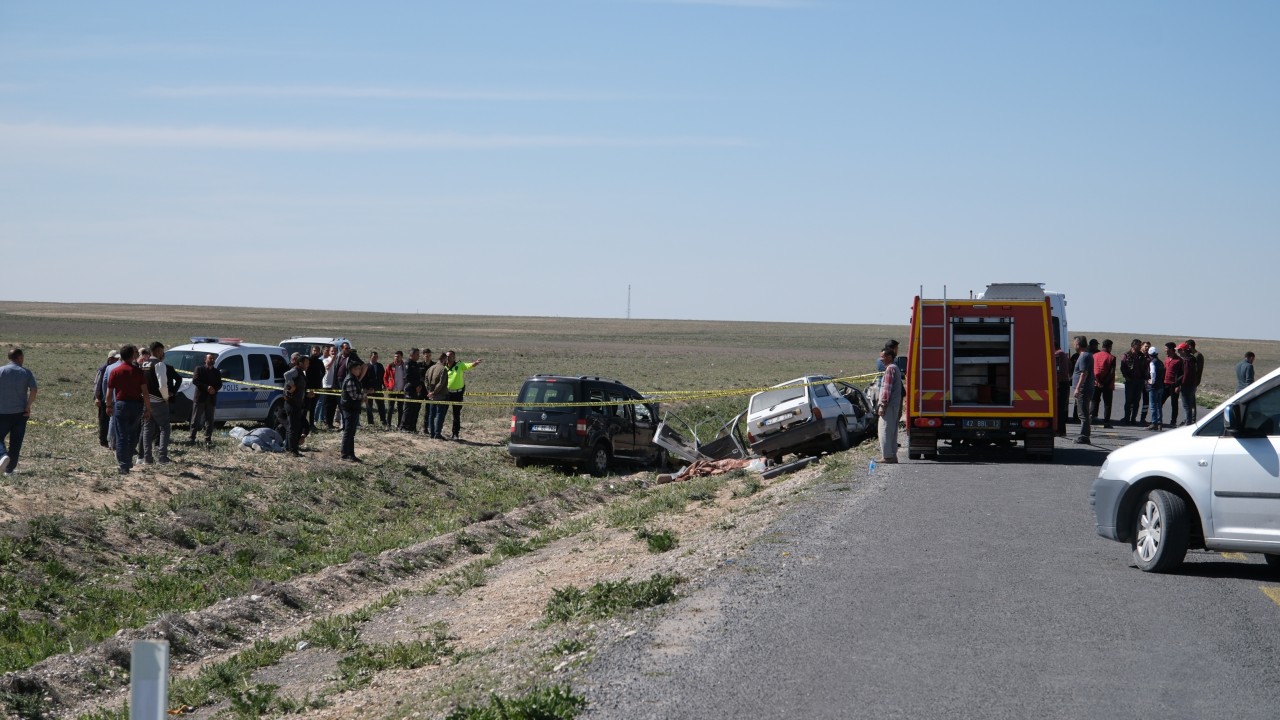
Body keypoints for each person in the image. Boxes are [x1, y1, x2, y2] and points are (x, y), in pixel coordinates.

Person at [106, 344, 151, 474]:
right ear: (132, 355)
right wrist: (148, 409)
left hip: (121, 405)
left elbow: (110, 392)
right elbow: (145, 393)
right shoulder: (138, 372)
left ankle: (124, 464)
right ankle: (128, 460)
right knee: (132, 434)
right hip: (136, 405)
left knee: (121, 435)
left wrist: (108, 406)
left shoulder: (116, 371)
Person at [0, 348, 39, 476]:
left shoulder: (1, 370)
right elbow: (34, 390)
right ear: (20, 357)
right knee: (16, 442)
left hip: (2, 412)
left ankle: (2, 456)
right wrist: (28, 405)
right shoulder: (26, 372)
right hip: (20, 413)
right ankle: (9, 469)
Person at [140, 341, 174, 465]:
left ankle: (147, 458)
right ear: (159, 351)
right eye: (162, 351)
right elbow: (162, 385)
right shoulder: (159, 364)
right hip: (158, 402)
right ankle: (162, 457)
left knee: (147, 429)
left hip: (145, 400)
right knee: (165, 428)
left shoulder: (144, 364)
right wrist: (166, 398)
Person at [443, 350, 483, 440]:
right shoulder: (443, 366)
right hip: (446, 393)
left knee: (456, 415)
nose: (449, 358)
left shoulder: (460, 365)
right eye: (447, 356)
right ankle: (439, 432)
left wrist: (475, 363)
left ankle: (455, 434)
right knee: (442, 412)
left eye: (451, 356)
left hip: (457, 394)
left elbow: (469, 365)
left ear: (454, 357)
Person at [876, 347, 902, 463]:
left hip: (889, 405)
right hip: (894, 405)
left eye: (883, 357)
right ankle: (892, 455)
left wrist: (882, 405)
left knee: (884, 430)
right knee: (891, 430)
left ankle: (887, 456)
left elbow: (887, 389)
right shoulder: (895, 368)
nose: (881, 359)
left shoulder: (890, 369)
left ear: (889, 357)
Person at [189, 352, 222, 445]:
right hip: (200, 398)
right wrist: (206, 387)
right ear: (205, 359)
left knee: (210, 420)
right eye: (210, 358)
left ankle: (208, 439)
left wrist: (214, 389)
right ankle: (192, 438)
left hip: (211, 399)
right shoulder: (199, 369)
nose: (212, 360)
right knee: (195, 419)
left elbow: (219, 384)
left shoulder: (216, 372)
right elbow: (195, 381)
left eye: (213, 359)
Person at [339, 355, 366, 461]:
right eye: (358, 368)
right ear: (352, 369)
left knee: (351, 433)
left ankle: (351, 454)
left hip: (353, 408)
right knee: (348, 432)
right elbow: (354, 396)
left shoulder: (354, 379)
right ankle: (345, 454)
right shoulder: (350, 380)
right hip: (349, 409)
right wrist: (363, 397)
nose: (360, 370)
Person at [282, 352, 309, 456]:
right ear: (300, 363)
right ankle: (293, 450)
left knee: (291, 427)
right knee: (294, 427)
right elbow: (286, 374)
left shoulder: (300, 372)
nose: (308, 365)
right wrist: (292, 385)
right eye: (306, 363)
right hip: (292, 404)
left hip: (295, 403)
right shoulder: (295, 371)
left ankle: (289, 447)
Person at [92, 350, 119, 448]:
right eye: (116, 359)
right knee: (104, 420)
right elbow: (98, 384)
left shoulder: (114, 368)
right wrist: (97, 398)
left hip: (112, 398)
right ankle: (103, 440)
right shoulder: (103, 369)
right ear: (110, 359)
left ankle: (110, 439)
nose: (118, 360)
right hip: (104, 398)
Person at [1071, 336, 1094, 444]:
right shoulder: (1087, 355)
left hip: (1083, 389)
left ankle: (1084, 436)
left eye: (1075, 343)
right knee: (1083, 412)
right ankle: (1085, 435)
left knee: (1083, 413)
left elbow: (1083, 373)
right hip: (1086, 388)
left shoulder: (1084, 356)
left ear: (1078, 345)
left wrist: (1078, 388)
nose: (1074, 345)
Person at [1119, 339, 1146, 426]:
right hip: (1130, 381)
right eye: (1138, 345)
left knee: (1136, 401)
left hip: (1139, 381)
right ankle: (1127, 418)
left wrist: (1143, 378)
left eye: (1140, 345)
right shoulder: (1126, 355)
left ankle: (1133, 419)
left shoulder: (1141, 356)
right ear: (1133, 345)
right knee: (1128, 401)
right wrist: (1127, 377)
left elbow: (1145, 368)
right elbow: (1123, 368)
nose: (1139, 347)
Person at [1091, 339, 1116, 429]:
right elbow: (1111, 372)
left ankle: (1092, 417)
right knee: (1107, 403)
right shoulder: (1112, 357)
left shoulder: (1094, 356)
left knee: (1094, 400)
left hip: (1095, 383)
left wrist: (1097, 381)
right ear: (1110, 347)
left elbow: (1092, 370)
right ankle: (1106, 421)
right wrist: (1104, 383)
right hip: (1107, 385)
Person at [399, 348, 427, 432]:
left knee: (414, 409)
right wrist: (416, 386)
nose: (419, 356)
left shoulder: (416, 364)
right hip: (410, 388)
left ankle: (411, 427)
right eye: (417, 354)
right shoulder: (408, 363)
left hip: (416, 389)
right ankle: (403, 426)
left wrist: (420, 385)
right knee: (408, 408)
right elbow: (408, 377)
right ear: (412, 355)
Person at [425, 352, 450, 439]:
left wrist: (430, 391)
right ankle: (437, 433)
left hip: (432, 395)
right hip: (440, 395)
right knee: (439, 414)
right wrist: (434, 392)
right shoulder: (443, 369)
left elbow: (426, 381)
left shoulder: (431, 368)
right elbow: (441, 383)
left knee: (431, 415)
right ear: (444, 359)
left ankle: (431, 433)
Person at [1162, 342, 1184, 428]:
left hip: (1174, 385)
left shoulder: (1179, 360)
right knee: (1160, 401)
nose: (1165, 350)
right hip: (1165, 384)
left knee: (1174, 404)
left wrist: (1178, 385)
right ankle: (1158, 419)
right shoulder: (1167, 358)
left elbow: (1181, 374)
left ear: (1171, 349)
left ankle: (1173, 421)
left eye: (1166, 348)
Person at [383, 350, 406, 430]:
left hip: (401, 390)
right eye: (395, 356)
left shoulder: (404, 366)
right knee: (390, 408)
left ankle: (400, 425)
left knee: (400, 408)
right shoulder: (390, 366)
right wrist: (388, 386)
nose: (396, 358)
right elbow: (385, 377)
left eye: (398, 356)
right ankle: (388, 424)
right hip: (392, 390)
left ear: (401, 357)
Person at [363, 351, 387, 428]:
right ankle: (370, 422)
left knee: (381, 406)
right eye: (374, 357)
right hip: (369, 390)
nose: (375, 358)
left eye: (376, 357)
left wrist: (385, 385)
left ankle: (383, 421)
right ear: (370, 357)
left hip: (378, 389)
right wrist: (366, 389)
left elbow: (383, 377)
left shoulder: (380, 366)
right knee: (369, 406)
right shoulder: (366, 366)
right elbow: (363, 379)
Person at [304, 345, 325, 432]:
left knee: (313, 407)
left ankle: (311, 424)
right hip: (308, 387)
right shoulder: (308, 361)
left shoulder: (320, 362)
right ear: (311, 351)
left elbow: (323, 372)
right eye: (314, 350)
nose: (315, 352)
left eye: (317, 351)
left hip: (317, 387)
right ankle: (303, 425)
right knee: (305, 407)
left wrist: (318, 380)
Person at [1177, 343, 1198, 426]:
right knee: (1189, 405)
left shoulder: (1186, 360)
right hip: (1192, 384)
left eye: (1179, 350)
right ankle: (1188, 421)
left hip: (1186, 385)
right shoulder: (1192, 359)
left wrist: (1181, 384)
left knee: (1187, 405)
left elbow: (1185, 374)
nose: (1178, 352)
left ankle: (1188, 423)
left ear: (1183, 350)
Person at [1053, 342, 1071, 437]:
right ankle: (1062, 430)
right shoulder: (1064, 354)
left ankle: (1059, 430)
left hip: (1060, 384)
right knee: (1061, 408)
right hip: (1065, 382)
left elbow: (1057, 371)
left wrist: (1057, 384)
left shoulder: (1057, 354)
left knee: (1058, 408)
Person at [1146, 346, 1165, 431]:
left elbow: (1152, 372)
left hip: (1154, 387)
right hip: (1160, 386)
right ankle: (1159, 422)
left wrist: (1151, 381)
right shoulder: (1161, 362)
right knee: (1159, 406)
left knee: (1153, 406)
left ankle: (1154, 423)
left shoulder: (1152, 362)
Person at [319, 344, 338, 429]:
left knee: (333, 404)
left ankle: (330, 423)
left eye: (335, 351)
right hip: (327, 385)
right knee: (327, 405)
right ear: (329, 352)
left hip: (335, 386)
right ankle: (326, 422)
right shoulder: (326, 360)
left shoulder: (338, 360)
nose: (333, 352)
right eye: (332, 351)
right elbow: (327, 367)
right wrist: (333, 359)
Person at [1185, 340, 1205, 422]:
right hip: (1190, 381)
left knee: (1191, 401)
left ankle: (1192, 419)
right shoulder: (1191, 355)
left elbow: (1197, 370)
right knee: (1188, 401)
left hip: (1194, 381)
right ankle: (1188, 418)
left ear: (1190, 346)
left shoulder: (1198, 356)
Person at [1137, 341, 1153, 425]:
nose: (1147, 348)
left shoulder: (1150, 358)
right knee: (1135, 399)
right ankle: (1131, 418)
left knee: (1146, 401)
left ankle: (1143, 418)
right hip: (1137, 381)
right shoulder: (1137, 356)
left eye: (1149, 347)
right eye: (1146, 346)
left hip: (1147, 382)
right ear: (1141, 346)